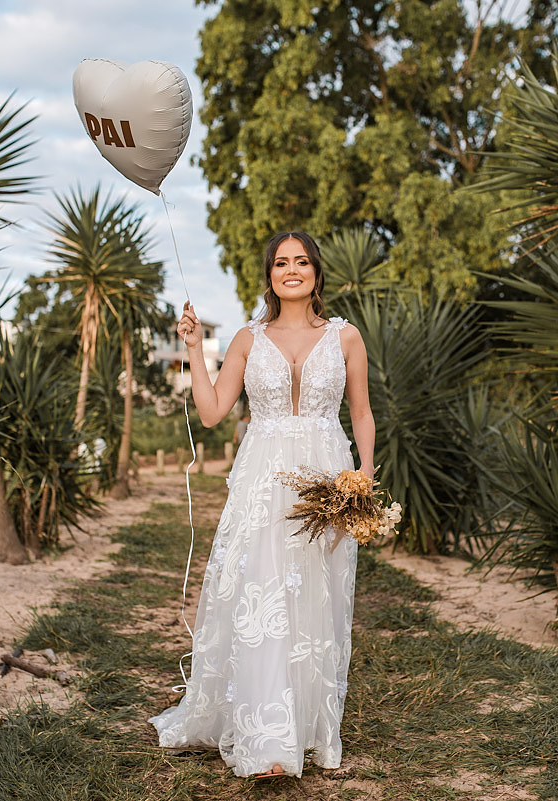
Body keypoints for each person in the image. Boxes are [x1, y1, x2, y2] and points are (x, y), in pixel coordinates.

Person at [149, 231, 376, 779]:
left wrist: (363, 475)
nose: (291, 270)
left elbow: (363, 413)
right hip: (262, 479)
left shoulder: (346, 338)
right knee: (262, 597)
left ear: (317, 273)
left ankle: (303, 726)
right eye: (281, 262)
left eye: (301, 261)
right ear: (269, 275)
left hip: (327, 477)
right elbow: (211, 412)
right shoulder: (249, 340)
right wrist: (193, 346)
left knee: (315, 600)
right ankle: (268, 739)